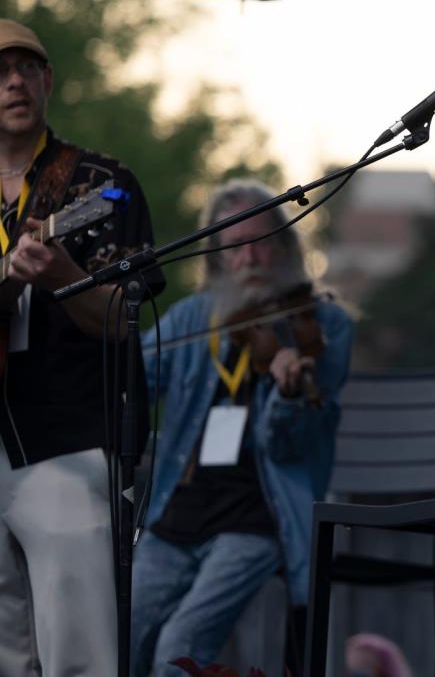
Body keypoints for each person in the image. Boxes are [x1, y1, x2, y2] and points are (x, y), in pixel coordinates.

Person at [131, 180, 353, 677]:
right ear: (216, 258)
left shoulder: (325, 325)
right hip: (179, 510)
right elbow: (130, 379)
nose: (249, 256)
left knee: (179, 646)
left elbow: (293, 445)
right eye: (234, 245)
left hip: (259, 514)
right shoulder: (193, 317)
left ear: (286, 245)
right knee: (120, 633)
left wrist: (290, 396)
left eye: (261, 241)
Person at [0, 18, 163, 674]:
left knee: (79, 649)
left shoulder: (99, 184)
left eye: (27, 67)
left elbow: (125, 318)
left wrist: (64, 273)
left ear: (48, 82)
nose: (14, 80)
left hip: (65, 439)